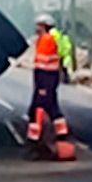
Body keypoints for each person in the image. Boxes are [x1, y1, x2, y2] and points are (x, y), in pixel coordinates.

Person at [27, 13, 70, 142]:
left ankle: (35, 137)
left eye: (39, 26)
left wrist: (42, 86)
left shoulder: (46, 40)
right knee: (51, 105)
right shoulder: (45, 38)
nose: (36, 28)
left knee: (39, 107)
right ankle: (61, 131)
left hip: (45, 78)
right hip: (49, 77)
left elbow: (44, 63)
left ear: (45, 26)